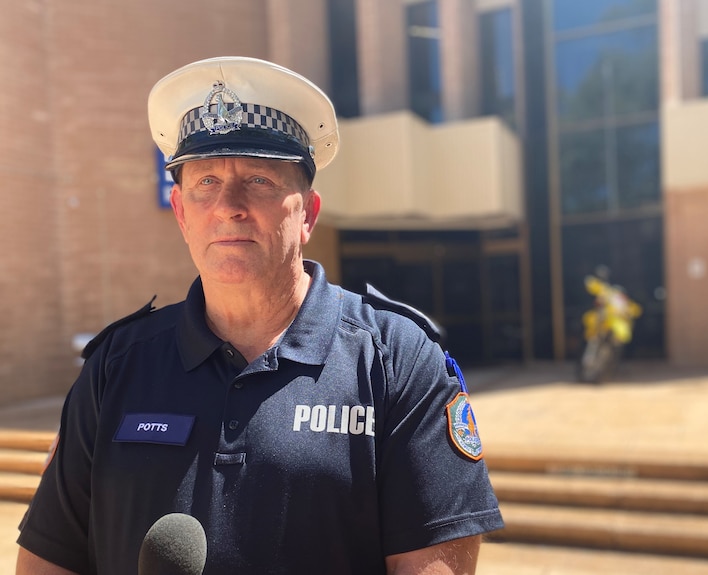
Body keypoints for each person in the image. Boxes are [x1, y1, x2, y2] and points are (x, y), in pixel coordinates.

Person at [16, 56, 503, 575]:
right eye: (205, 182)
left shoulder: (397, 362)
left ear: (309, 214)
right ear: (181, 213)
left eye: (259, 180)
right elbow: (49, 560)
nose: (229, 206)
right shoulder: (115, 366)